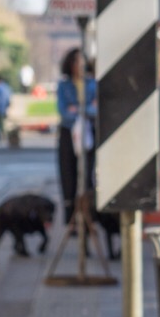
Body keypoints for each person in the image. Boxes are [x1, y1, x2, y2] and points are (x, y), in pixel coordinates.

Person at [56, 47, 97, 222]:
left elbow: (95, 109)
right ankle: (70, 214)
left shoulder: (92, 84)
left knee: (87, 173)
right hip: (69, 132)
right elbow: (63, 111)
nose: (79, 65)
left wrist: (79, 109)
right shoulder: (64, 85)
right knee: (68, 172)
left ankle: (88, 213)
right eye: (75, 61)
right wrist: (84, 110)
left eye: (81, 61)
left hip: (87, 131)